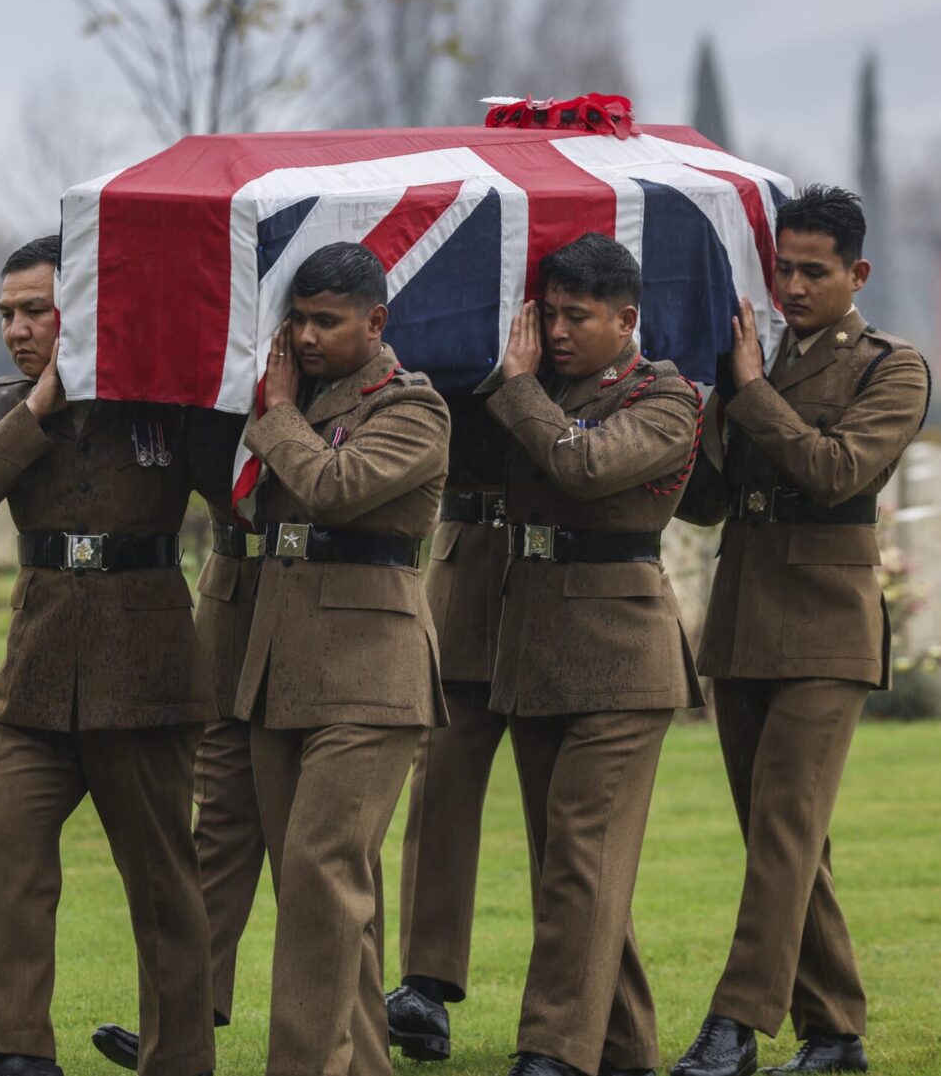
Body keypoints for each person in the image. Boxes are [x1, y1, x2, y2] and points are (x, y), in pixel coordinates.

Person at [0, 235, 231, 1076]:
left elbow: (241, 487)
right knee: (4, 844)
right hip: (33, 681)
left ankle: (178, 1060)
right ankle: (18, 1054)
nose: (18, 330)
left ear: (87, 310)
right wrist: (38, 410)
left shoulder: (162, 401)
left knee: (164, 885)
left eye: (37, 310)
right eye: (7, 314)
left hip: (146, 678)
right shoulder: (1, 404)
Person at [669, 185, 930, 1076]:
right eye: (783, 267)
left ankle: (734, 1026)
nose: (792, 285)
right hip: (744, 615)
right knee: (785, 836)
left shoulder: (891, 367)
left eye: (814, 271)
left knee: (785, 824)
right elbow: (708, 503)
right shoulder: (757, 355)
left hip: (826, 623)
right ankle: (836, 1032)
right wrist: (702, 397)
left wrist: (748, 390)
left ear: (857, 273)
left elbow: (838, 468)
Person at [386, 335, 661, 1076]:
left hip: (555, 579)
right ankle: (425, 980)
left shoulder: (608, 380)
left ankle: (613, 1034)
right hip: (471, 558)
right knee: (439, 776)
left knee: (577, 836)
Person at [474, 233, 704, 1076]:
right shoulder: (540, 390)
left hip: (619, 654)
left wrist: (521, 387)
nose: (558, 330)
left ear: (626, 318)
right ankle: (625, 1051)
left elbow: (585, 462)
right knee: (575, 869)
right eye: (549, 313)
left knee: (581, 861)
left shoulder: (667, 394)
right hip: (536, 644)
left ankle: (552, 1052)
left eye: (577, 315)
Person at [237, 241, 450, 1076]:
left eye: (327, 320)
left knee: (324, 876)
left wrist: (280, 411)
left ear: (376, 321)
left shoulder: (414, 408)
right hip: (283, 664)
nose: (309, 335)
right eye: (298, 319)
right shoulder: (291, 397)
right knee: (321, 897)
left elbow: (334, 486)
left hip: (373, 670)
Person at [92, 506, 266, 1070]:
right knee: (216, 816)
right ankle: (181, 1023)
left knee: (328, 838)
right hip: (234, 596)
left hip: (323, 594)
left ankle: (353, 1025)